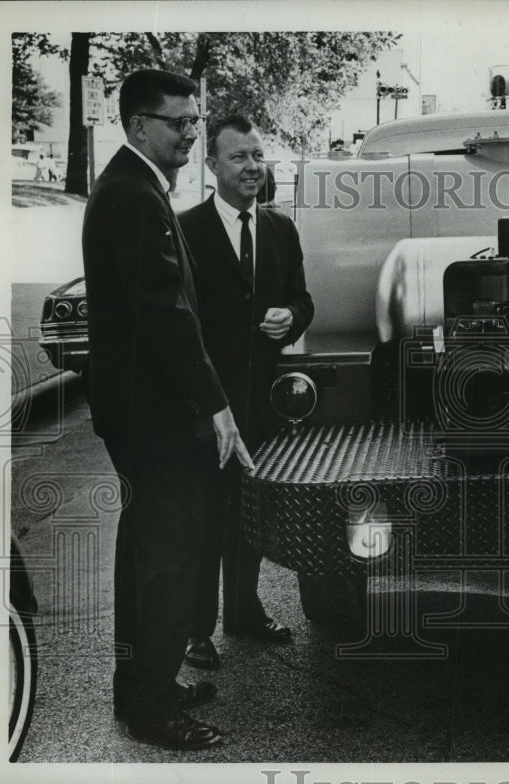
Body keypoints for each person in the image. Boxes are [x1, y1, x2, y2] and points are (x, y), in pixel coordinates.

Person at [82, 69, 252, 750]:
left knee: (146, 553)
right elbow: (166, 314)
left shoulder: (133, 188)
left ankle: (143, 687)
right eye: (177, 121)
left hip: (141, 411)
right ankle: (153, 706)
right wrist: (216, 405)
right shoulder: (134, 196)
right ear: (135, 126)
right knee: (169, 558)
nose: (189, 132)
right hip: (156, 415)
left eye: (194, 120)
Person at [179, 115, 313, 671]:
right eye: (238, 157)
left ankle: (243, 611)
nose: (253, 166)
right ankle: (195, 630)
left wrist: (292, 317)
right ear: (211, 165)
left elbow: (303, 300)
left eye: (258, 155)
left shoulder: (281, 229)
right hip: (206, 406)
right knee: (206, 516)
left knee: (251, 512)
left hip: (263, 404)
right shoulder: (186, 229)